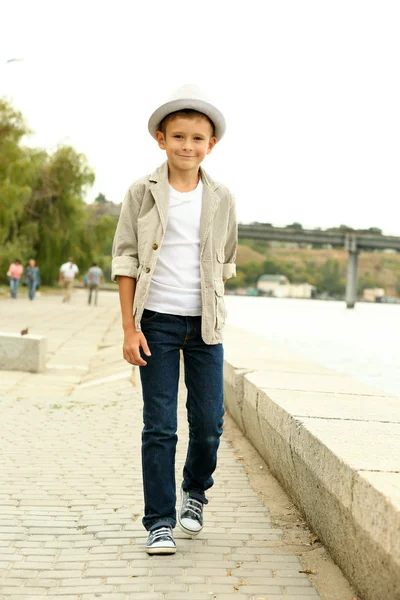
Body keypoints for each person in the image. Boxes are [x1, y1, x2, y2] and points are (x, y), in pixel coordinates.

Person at [112, 84, 237, 555]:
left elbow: (226, 258)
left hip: (205, 325)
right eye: (179, 137)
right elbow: (124, 259)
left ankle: (195, 490)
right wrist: (130, 327)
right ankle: (159, 521)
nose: (188, 146)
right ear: (161, 139)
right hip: (156, 324)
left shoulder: (222, 197)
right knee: (159, 425)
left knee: (209, 424)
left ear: (211, 145)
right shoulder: (140, 192)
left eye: (198, 139)